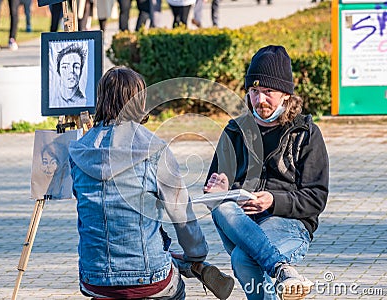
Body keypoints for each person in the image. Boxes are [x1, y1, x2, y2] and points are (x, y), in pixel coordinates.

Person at [68, 66, 234, 300]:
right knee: (170, 281)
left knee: (155, 243)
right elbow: (181, 214)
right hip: (146, 278)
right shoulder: (155, 149)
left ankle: (181, 263)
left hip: (93, 277)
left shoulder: (77, 151)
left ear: (101, 99)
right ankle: (191, 266)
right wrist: (197, 253)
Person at [204, 45, 329, 299]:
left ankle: (279, 268)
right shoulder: (234, 131)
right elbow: (212, 188)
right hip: (242, 223)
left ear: (285, 94)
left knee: (243, 258)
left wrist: (273, 201)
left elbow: (316, 197)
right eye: (254, 91)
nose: (259, 100)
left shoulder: (306, 133)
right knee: (221, 206)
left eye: (268, 92)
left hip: (290, 224)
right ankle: (282, 270)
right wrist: (218, 188)